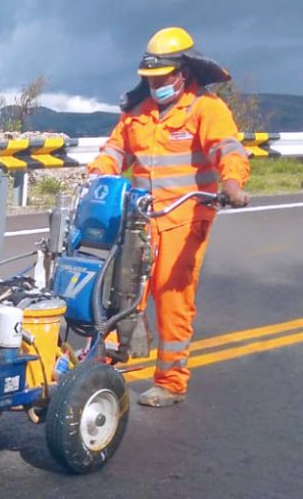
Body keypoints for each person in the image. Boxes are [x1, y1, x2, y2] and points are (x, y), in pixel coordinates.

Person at [86, 26, 250, 406]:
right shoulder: (138, 114)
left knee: (172, 296)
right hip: (140, 218)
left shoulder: (206, 109)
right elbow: (116, 150)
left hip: (184, 217)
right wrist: (99, 171)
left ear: (183, 74)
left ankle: (172, 381)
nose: (156, 84)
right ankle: (103, 367)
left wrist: (232, 182)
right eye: (151, 79)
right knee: (121, 292)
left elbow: (227, 146)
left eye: (162, 78)